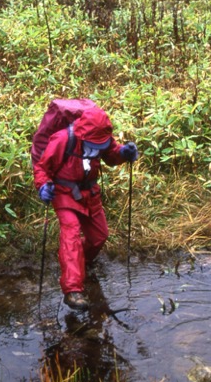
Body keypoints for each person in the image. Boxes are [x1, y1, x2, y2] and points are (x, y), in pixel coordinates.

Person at [33, 106, 139, 311]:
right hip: (63, 193)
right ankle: (72, 290)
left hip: (89, 193)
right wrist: (43, 186)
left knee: (99, 236)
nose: (97, 147)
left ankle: (80, 263)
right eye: (94, 144)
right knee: (70, 233)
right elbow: (42, 167)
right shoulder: (63, 139)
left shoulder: (102, 137)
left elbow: (111, 155)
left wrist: (124, 153)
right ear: (82, 135)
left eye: (101, 143)